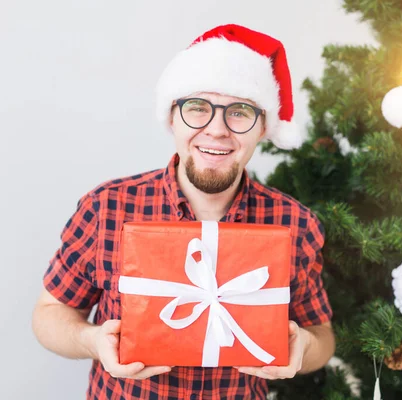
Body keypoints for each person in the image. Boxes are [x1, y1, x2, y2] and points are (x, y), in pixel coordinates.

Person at [32, 24, 335, 400]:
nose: (217, 130)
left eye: (239, 112)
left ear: (262, 128)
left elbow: (322, 337)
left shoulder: (295, 223)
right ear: (172, 117)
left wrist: (303, 348)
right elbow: (49, 312)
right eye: (198, 109)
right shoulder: (107, 207)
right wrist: (92, 340)